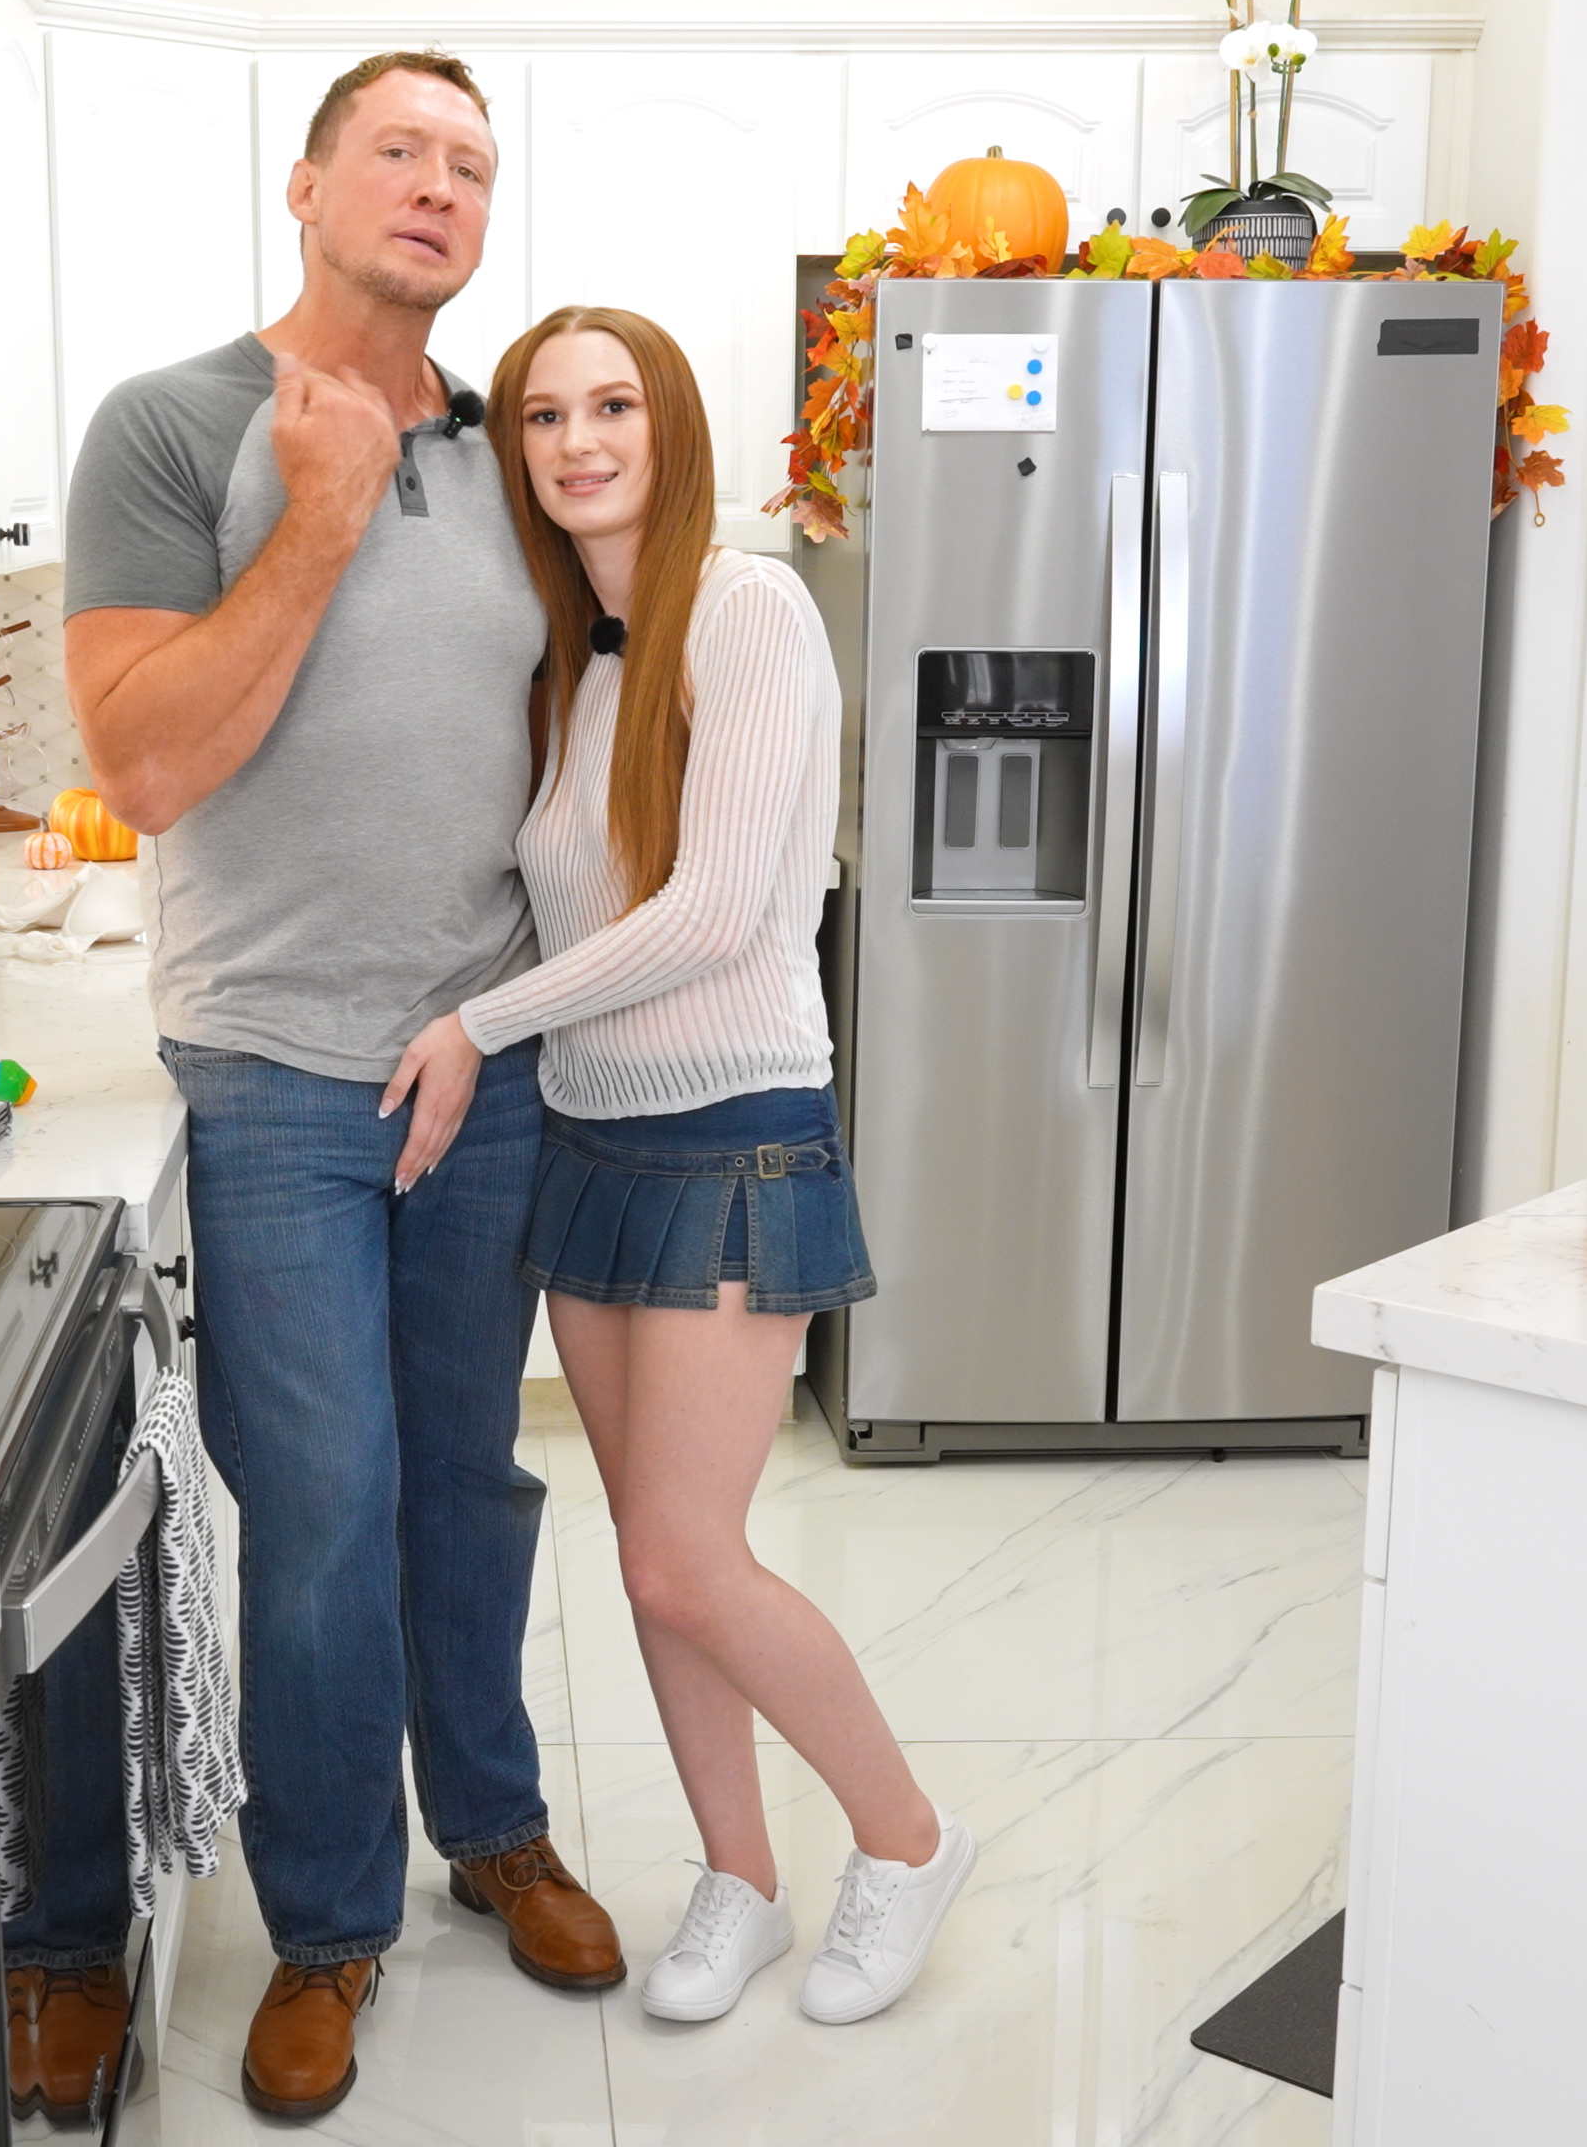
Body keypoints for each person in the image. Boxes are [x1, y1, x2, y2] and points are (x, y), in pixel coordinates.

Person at [57, 49, 621, 2124]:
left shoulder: (514, 449)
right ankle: (326, 1925)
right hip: (276, 1071)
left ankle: (495, 1826)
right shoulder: (172, 425)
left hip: (486, 1054)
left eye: (472, 162)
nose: (440, 186)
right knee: (319, 1512)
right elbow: (144, 764)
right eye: (399, 149)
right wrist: (312, 516)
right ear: (306, 186)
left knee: (471, 1480)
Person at [383, 306, 974, 2027]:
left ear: (672, 427)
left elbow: (713, 913)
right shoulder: (578, 659)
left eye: (614, 407)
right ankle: (741, 1878)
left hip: (734, 1134)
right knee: (653, 1550)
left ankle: (909, 1839)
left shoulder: (750, 609)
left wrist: (477, 1023)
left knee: (683, 1560)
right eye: (544, 416)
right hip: (592, 1142)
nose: (578, 443)